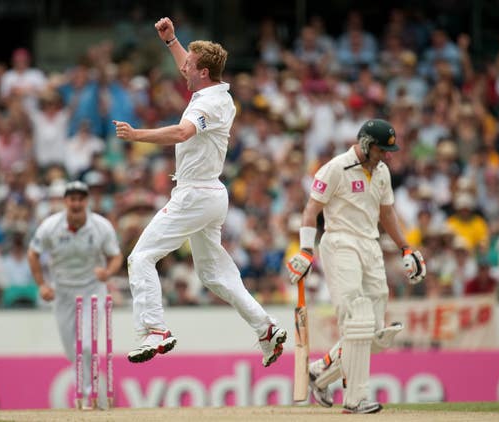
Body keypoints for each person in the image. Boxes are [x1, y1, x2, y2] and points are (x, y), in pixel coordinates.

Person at [113, 16, 287, 367]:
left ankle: (155, 329)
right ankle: (265, 328)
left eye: (189, 65)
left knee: (141, 257)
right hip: (209, 194)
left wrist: (136, 135)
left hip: (195, 194)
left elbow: (181, 133)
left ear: (203, 72)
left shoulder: (209, 104)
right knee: (214, 273)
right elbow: (186, 68)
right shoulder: (212, 92)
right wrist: (172, 41)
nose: (183, 70)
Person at [286, 118, 426, 413]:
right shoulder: (336, 168)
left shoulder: (383, 172)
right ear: (366, 144)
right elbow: (311, 210)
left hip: (371, 246)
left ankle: (319, 373)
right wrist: (306, 250)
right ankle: (355, 399)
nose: (388, 155)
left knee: (375, 334)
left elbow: (387, 213)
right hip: (340, 243)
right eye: (383, 150)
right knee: (357, 319)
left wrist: (406, 248)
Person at [27, 181, 123, 404]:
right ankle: (90, 387)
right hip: (62, 293)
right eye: (72, 199)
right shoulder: (50, 226)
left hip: (92, 290)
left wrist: (107, 272)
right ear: (65, 201)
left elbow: (116, 255)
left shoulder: (101, 226)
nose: (76, 203)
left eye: (81, 199)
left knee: (87, 345)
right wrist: (42, 284)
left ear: (87, 201)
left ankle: (90, 392)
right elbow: (33, 253)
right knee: (72, 351)